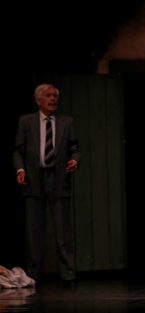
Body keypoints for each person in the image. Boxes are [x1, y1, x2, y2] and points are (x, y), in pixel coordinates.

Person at [13, 83, 80, 287]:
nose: (53, 99)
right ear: (38, 100)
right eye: (48, 96)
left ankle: (68, 274)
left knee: (62, 230)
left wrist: (75, 160)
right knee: (34, 230)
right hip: (34, 178)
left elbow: (74, 148)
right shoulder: (26, 121)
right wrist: (20, 170)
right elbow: (18, 150)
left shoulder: (66, 122)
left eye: (55, 96)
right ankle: (34, 275)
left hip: (58, 179)